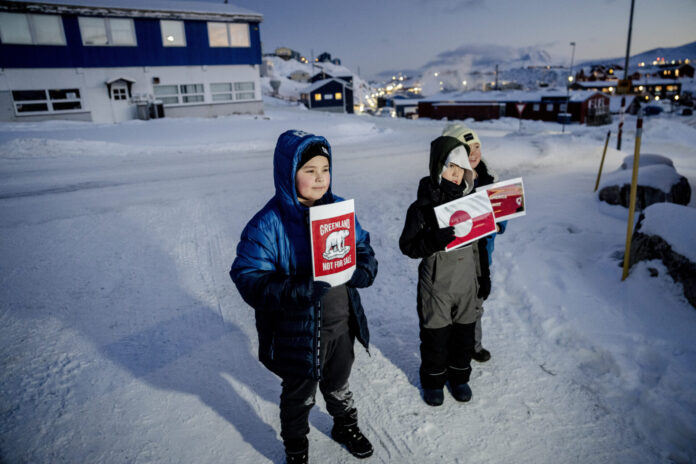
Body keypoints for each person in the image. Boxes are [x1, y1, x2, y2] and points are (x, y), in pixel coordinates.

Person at [230, 130, 378, 463]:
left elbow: (363, 248)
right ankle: (296, 444)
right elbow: (247, 276)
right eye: (309, 170)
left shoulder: (339, 210)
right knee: (299, 394)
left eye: (325, 169)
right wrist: (297, 289)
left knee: (339, 382)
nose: (320, 178)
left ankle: (345, 425)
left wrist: (361, 269)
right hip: (296, 332)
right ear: (289, 172)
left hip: (341, 324)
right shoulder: (268, 224)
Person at [399, 135, 484, 406]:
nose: (456, 175)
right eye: (450, 167)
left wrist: (484, 277)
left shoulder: (472, 202)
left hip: (467, 283)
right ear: (437, 168)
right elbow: (408, 246)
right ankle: (434, 380)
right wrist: (435, 239)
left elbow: (479, 245)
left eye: (461, 169)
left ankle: (460, 377)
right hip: (437, 285)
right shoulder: (423, 207)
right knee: (436, 336)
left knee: (464, 335)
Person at [442, 124, 507, 363]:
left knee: (476, 302)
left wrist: (499, 224)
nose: (474, 152)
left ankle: (473, 345)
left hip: (481, 257)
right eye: (466, 148)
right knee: (454, 304)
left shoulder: (490, 180)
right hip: (457, 258)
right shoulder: (451, 181)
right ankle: (449, 345)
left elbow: (503, 213)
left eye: (477, 146)